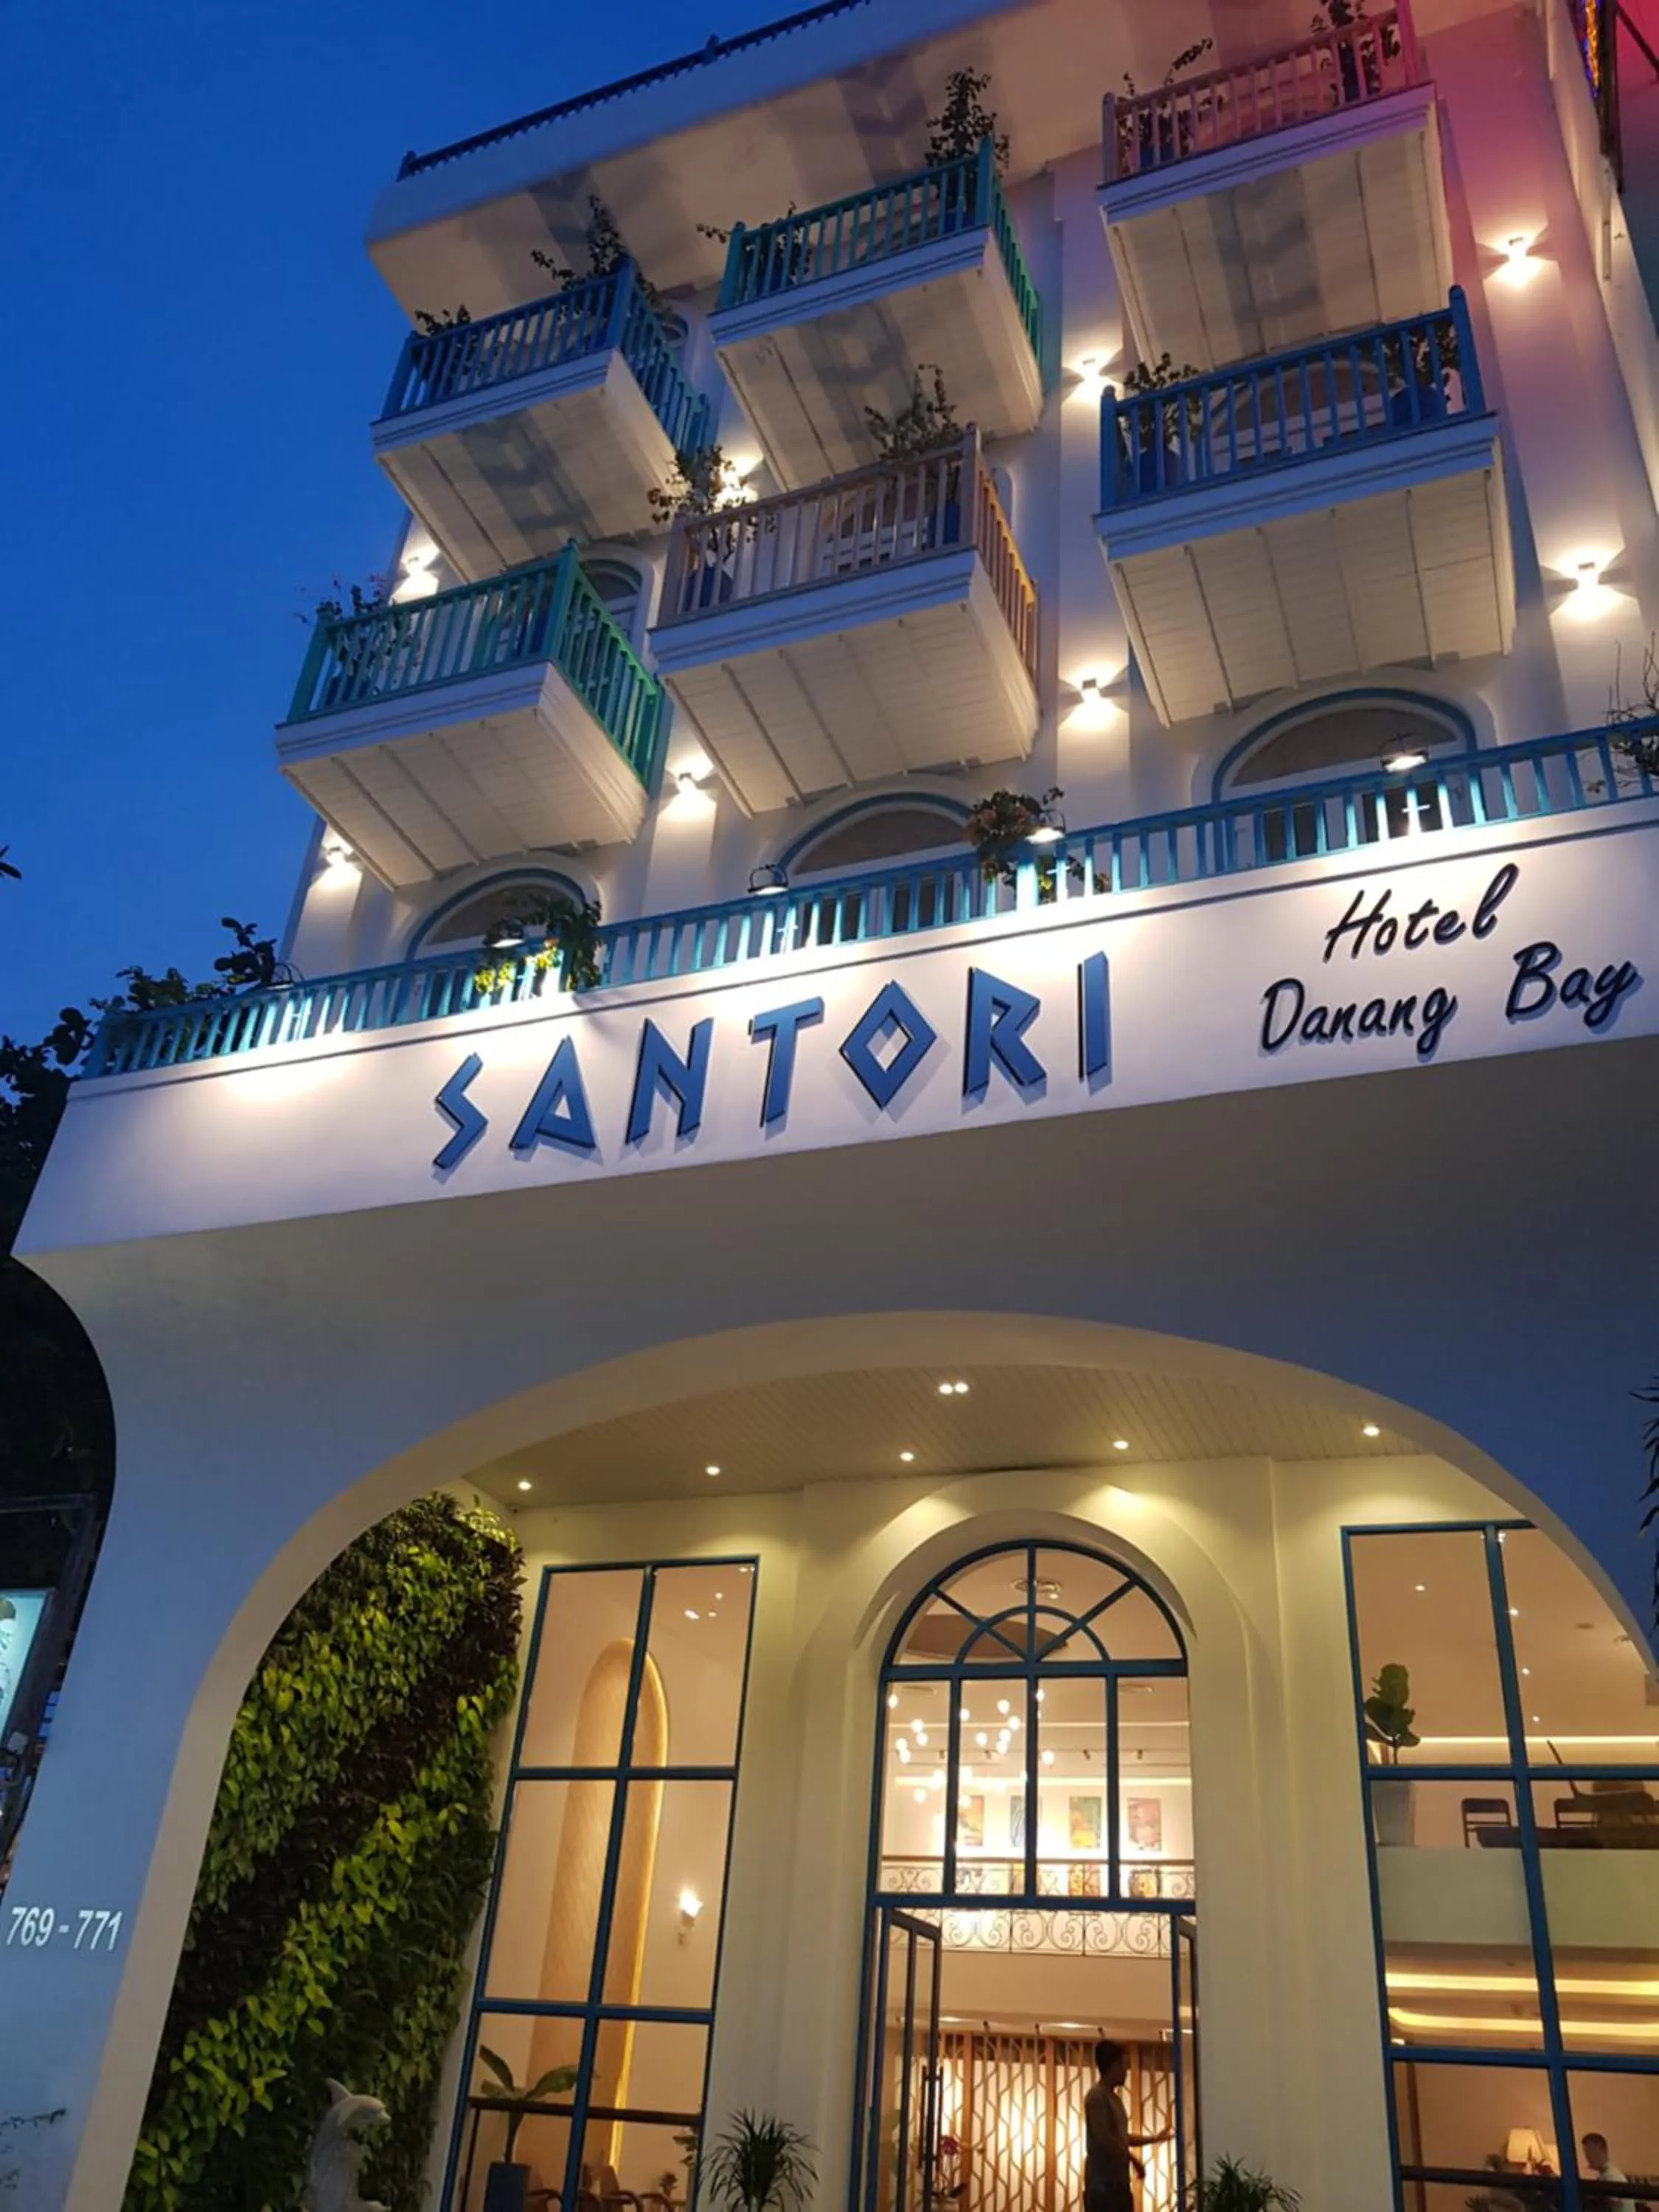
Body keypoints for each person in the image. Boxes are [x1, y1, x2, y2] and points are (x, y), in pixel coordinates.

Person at [1084, 2040, 1170, 2212]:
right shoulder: (1096, 2097)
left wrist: (1154, 2139)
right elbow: (1104, 2139)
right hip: (1103, 2187)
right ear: (1113, 2066)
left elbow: (1121, 2137)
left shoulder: (1115, 2099)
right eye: (1123, 2066)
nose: (1126, 2072)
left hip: (1119, 2185)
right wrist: (1133, 2160)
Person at [1582, 2132, 1634, 2212]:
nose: (1588, 2156)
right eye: (1585, 2152)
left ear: (1603, 2150)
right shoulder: (1607, 2174)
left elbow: (1608, 2204)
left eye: (1591, 2150)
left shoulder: (1611, 2175)